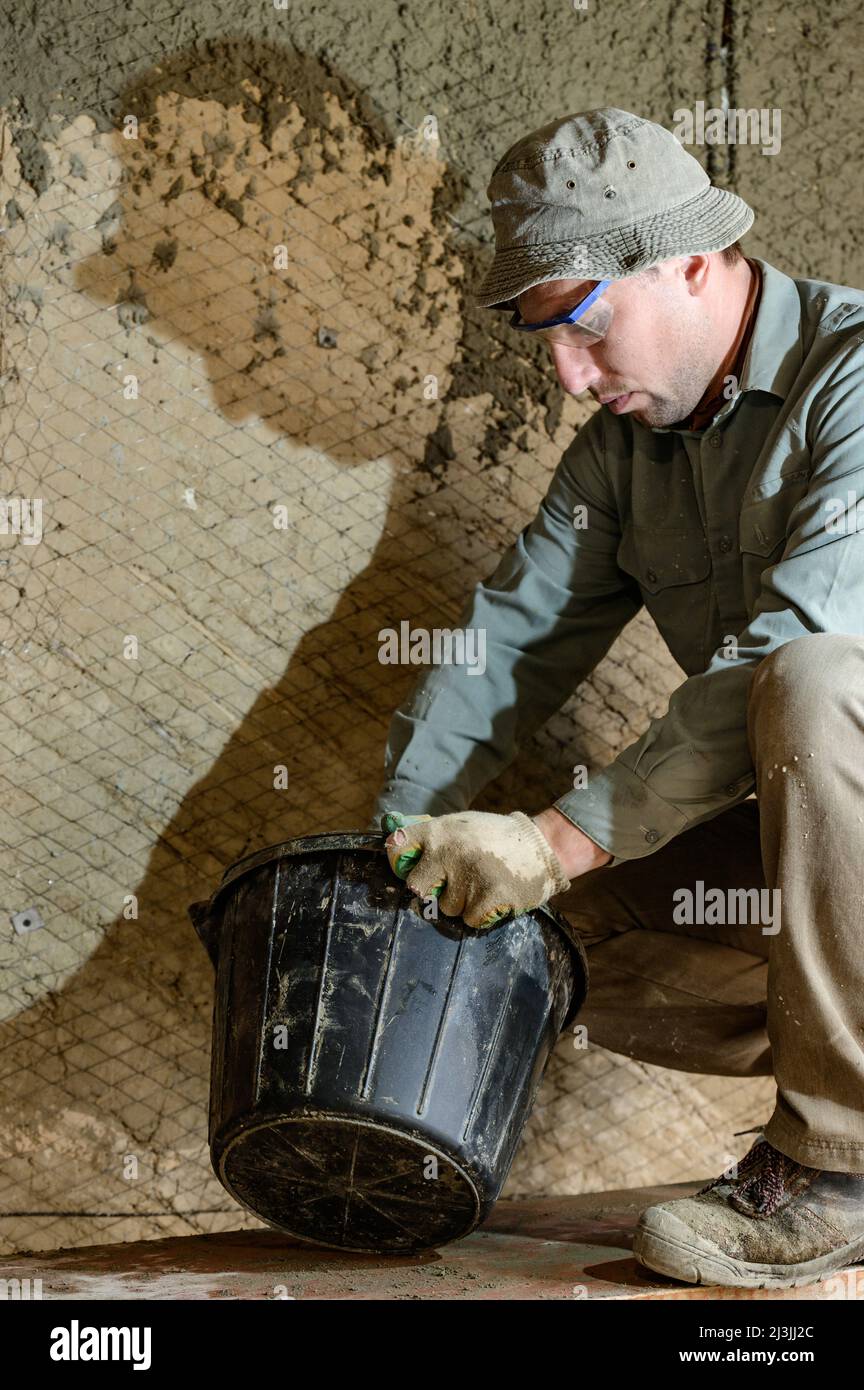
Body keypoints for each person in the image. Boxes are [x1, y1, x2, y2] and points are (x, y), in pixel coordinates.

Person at [369, 107, 864, 1290]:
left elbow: (796, 649)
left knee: (813, 680)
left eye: (584, 323)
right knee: (533, 934)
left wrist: (558, 834)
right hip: (841, 885)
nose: (567, 373)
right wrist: (399, 839)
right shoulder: (623, 455)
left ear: (689, 263)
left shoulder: (854, 378)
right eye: (543, 338)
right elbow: (511, 638)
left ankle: (844, 1162)